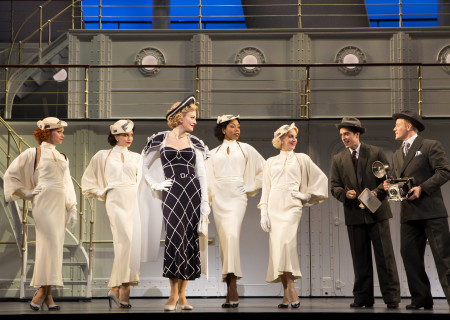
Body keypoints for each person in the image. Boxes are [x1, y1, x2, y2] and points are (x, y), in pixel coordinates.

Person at [137, 95, 210, 311]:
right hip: (172, 193)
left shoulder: (194, 142)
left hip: (192, 192)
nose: (195, 121)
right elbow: (142, 164)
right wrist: (155, 184)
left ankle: (183, 296)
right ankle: (172, 295)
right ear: (180, 117)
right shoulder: (160, 139)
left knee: (189, 239)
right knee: (174, 238)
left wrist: (204, 202)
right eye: (192, 117)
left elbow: (202, 174)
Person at [3, 117, 78, 311]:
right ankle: (41, 293)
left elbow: (67, 183)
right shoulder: (32, 153)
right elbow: (10, 175)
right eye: (59, 131)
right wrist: (24, 193)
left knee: (55, 248)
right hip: (44, 204)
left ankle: (48, 295)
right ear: (47, 132)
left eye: (62, 131)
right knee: (49, 246)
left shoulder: (62, 156)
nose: (62, 134)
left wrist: (73, 207)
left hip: (59, 205)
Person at [330, 117, 401, 309]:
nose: (344, 138)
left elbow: (387, 180)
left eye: (347, 134)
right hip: (354, 214)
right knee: (360, 259)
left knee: (385, 257)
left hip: (377, 212)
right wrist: (346, 194)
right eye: (342, 135)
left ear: (357, 134)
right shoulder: (338, 159)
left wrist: (376, 193)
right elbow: (334, 187)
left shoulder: (375, 152)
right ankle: (363, 298)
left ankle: (392, 298)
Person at [383, 110, 450, 310]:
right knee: (409, 255)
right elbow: (397, 178)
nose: (394, 128)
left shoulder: (430, 145)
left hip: (432, 212)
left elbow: (444, 171)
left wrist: (423, 188)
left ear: (409, 126)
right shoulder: (396, 155)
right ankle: (421, 298)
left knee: (444, 258)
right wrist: (389, 185)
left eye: (398, 124)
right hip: (409, 213)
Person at [258, 122, 328, 308]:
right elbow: (266, 189)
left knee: (287, 245)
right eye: (290, 136)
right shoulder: (270, 162)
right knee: (278, 248)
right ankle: (286, 295)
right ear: (281, 139)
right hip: (274, 205)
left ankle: (291, 287)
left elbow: (321, 179)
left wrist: (306, 196)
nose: (294, 140)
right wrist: (263, 213)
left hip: (291, 206)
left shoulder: (302, 158)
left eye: (295, 137)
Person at [207, 114, 265, 308]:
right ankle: (229, 284)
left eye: (238, 126)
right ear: (223, 129)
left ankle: (233, 286)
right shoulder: (212, 153)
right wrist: (207, 202)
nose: (237, 129)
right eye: (232, 126)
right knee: (225, 240)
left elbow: (265, 170)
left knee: (231, 236)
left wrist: (250, 187)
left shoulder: (246, 149)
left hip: (237, 198)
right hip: (219, 198)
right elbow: (207, 179)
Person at [81, 119, 140, 308]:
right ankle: (123, 290)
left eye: (131, 134)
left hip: (134, 201)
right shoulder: (102, 155)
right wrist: (102, 191)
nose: (129, 138)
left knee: (129, 245)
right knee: (126, 242)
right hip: (115, 201)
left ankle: (118, 289)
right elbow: (87, 182)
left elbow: (144, 183)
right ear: (115, 136)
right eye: (124, 134)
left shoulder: (137, 157)